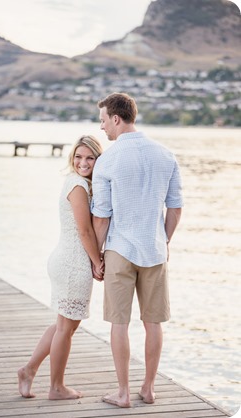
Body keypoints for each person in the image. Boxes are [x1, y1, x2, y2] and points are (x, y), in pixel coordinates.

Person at [91, 92, 183, 408]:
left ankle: (123, 392)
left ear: (116, 118)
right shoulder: (166, 154)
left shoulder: (108, 160)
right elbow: (175, 209)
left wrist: (96, 257)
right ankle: (148, 388)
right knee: (153, 322)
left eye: (103, 120)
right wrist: (165, 241)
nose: (102, 127)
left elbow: (101, 216)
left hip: (119, 249)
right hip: (155, 250)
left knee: (120, 322)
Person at [18, 135, 103, 400]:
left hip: (66, 260)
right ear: (72, 158)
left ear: (98, 160)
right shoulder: (78, 186)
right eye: (78, 157)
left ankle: (28, 370)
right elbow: (85, 231)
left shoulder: (77, 182)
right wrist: (97, 262)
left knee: (62, 325)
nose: (83, 162)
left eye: (89, 157)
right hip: (73, 263)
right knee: (66, 328)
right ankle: (56, 387)